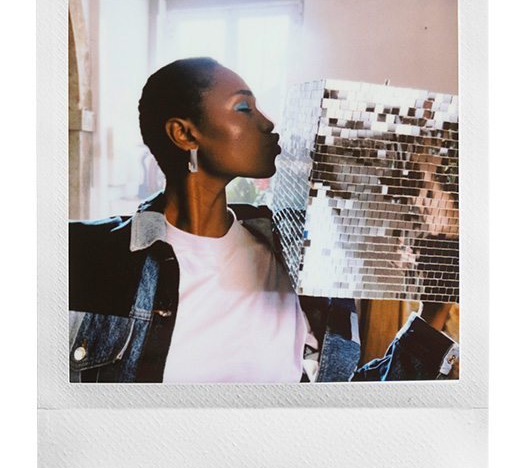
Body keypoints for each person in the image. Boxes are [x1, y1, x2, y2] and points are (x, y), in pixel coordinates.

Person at [69, 57, 458, 383]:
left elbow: (346, 406)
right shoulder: (86, 255)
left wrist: (435, 309)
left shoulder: (302, 257)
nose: (268, 123)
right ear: (184, 134)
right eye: (244, 109)